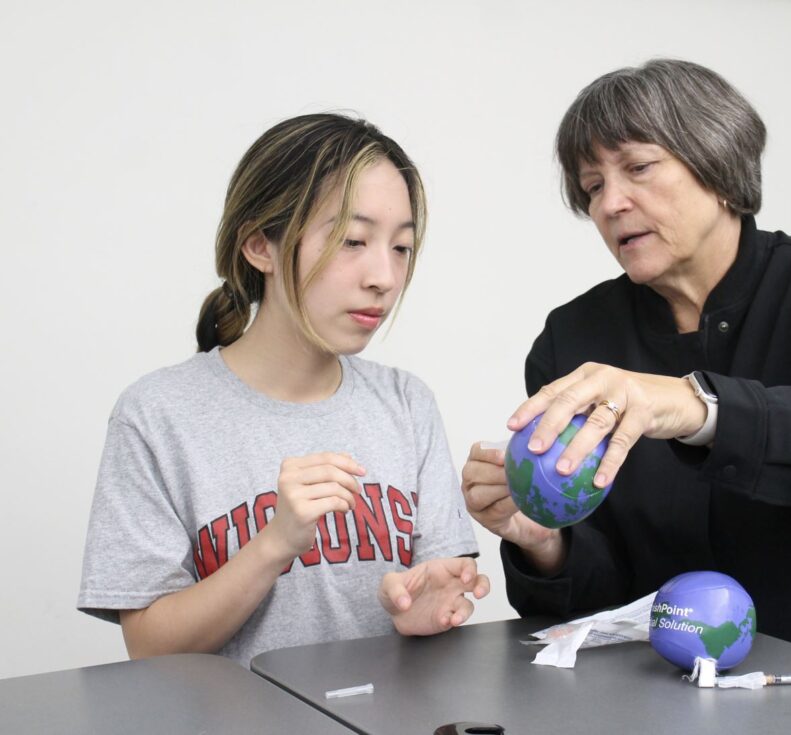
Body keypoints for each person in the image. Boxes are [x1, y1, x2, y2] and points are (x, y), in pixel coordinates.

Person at [462, 59, 791, 682]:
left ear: (718, 166)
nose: (610, 203)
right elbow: (604, 594)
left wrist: (696, 408)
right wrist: (545, 542)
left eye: (637, 167)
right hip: (668, 689)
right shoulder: (572, 340)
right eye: (591, 185)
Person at [78, 113, 488, 666]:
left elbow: (439, 590)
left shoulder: (406, 404)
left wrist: (430, 612)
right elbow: (150, 647)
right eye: (352, 240)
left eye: (401, 247)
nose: (384, 277)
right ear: (260, 246)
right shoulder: (157, 415)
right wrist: (274, 544)